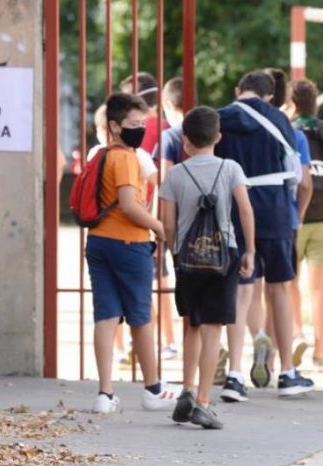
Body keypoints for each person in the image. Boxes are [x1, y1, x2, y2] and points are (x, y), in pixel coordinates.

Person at [215, 70, 315, 401]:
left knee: (240, 292)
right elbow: (299, 178)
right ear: (270, 95)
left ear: (238, 90)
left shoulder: (220, 118)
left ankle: (234, 377)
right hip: (273, 211)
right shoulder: (281, 121)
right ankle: (286, 373)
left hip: (234, 209)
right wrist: (294, 215)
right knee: (279, 291)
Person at [159, 106, 255, 429]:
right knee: (214, 328)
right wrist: (249, 251)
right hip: (222, 256)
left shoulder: (173, 175)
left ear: (185, 140)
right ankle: (202, 400)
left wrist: (174, 252)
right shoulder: (230, 168)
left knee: (192, 324)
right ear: (218, 137)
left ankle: (185, 388)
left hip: (187, 258)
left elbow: (168, 223)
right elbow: (245, 210)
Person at [85, 92, 177, 414]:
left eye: (142, 123)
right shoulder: (125, 158)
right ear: (114, 125)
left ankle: (105, 393)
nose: (140, 129)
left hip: (98, 241)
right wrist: (159, 227)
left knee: (106, 315)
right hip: (128, 244)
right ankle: (152, 389)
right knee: (141, 317)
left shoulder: (99, 155)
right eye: (133, 124)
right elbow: (128, 205)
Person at [120, 73, 177, 358]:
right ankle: (169, 339)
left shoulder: (142, 130)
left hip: (145, 215)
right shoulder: (171, 126)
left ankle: (155, 341)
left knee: (145, 281)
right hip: (175, 212)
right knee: (164, 281)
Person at [291, 78, 323, 367]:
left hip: (294, 218)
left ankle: (296, 335)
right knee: (318, 291)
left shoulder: (289, 132)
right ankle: (320, 348)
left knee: (288, 284)